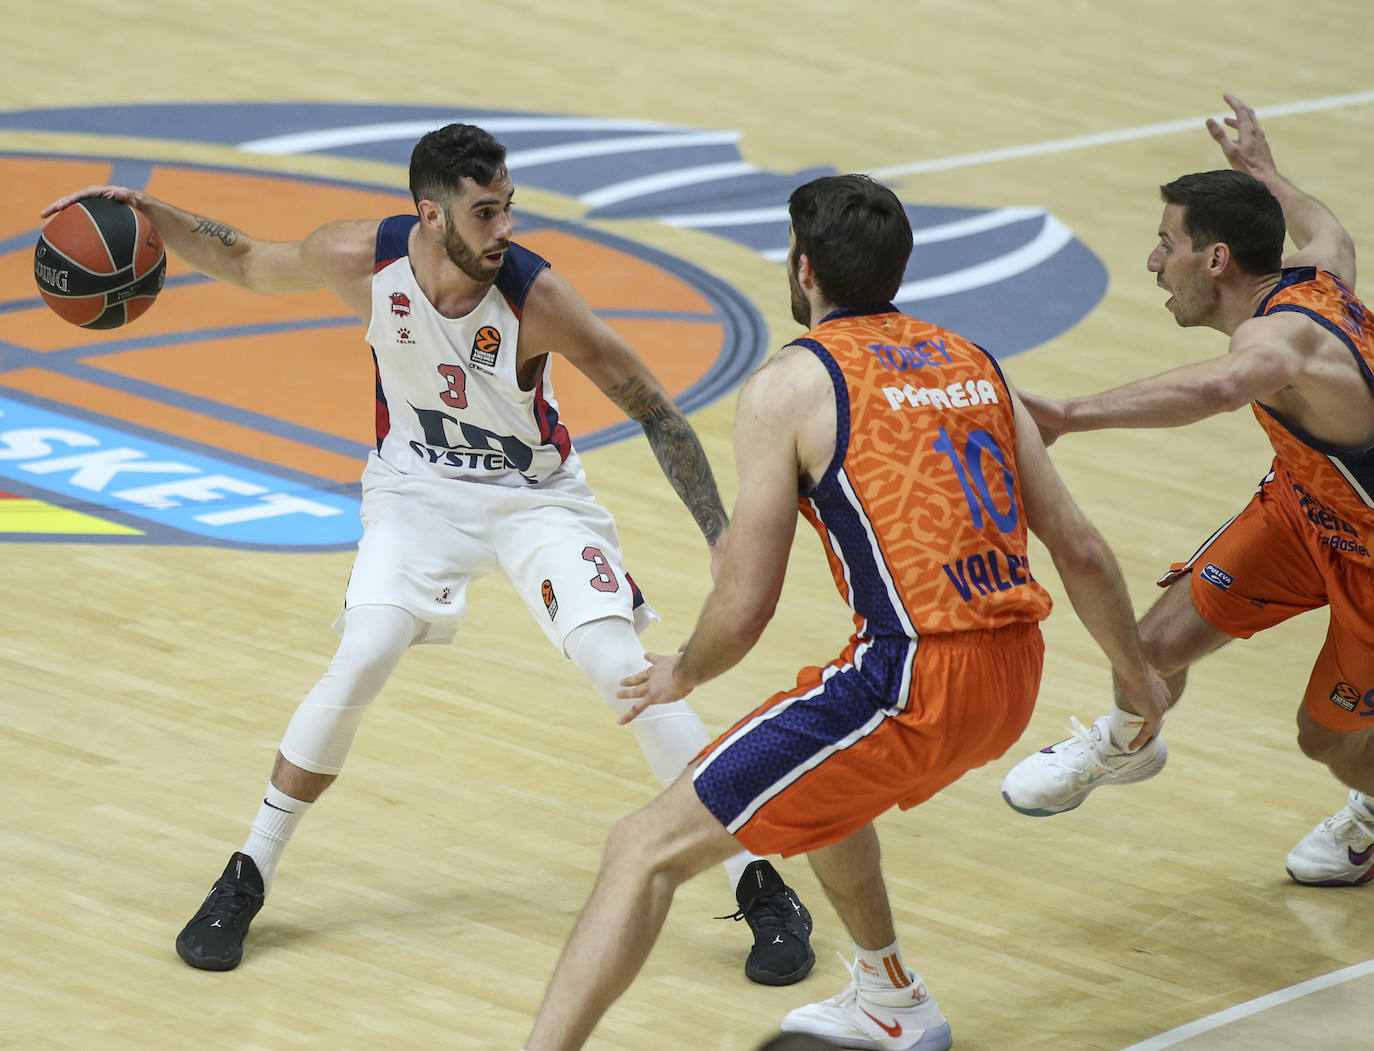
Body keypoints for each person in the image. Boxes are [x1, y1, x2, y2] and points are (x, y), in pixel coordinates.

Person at [41, 123, 816, 984]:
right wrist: (147, 211)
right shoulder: (359, 258)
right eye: (485, 212)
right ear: (430, 213)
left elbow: (656, 409)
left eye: (508, 206)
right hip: (415, 494)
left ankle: (760, 881)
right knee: (364, 650)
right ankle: (248, 871)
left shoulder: (537, 297)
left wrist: (719, 533)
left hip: (535, 500)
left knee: (621, 666)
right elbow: (249, 261)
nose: (504, 227)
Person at [522, 173, 1168, 1051]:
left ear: (803, 267)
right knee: (823, 765)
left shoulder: (791, 385)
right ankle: (888, 994)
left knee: (641, 848)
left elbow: (746, 605)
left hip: (912, 679)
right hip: (1017, 672)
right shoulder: (974, 362)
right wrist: (1137, 679)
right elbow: (1080, 548)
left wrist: (685, 671)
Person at [999, 95, 1374, 887]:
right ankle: (1128, 743)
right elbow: (1331, 231)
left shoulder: (1278, 338)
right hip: (1303, 511)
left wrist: (1068, 413)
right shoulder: (1316, 276)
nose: (1152, 261)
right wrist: (1266, 174)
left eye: (1166, 244)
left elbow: (1220, 387)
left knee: (1327, 742)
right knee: (1149, 649)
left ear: (1216, 260)